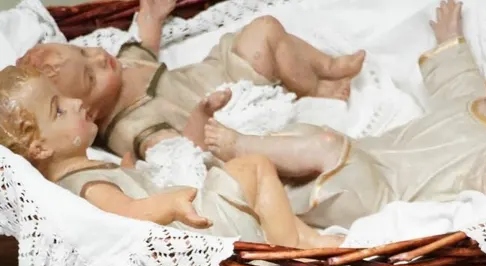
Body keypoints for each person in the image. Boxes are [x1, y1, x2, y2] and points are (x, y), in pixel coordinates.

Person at [203, 0, 486, 229]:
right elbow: (455, 63)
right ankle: (254, 181)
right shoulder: (471, 95)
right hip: (363, 158)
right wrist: (449, 34)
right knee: (309, 132)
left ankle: (236, 146)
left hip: (381, 196)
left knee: (325, 145)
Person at [0, 65, 341, 249]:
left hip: (186, 219)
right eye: (58, 109)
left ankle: (297, 238)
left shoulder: (85, 169)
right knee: (252, 166)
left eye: (63, 97)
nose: (74, 102)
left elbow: (124, 189)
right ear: (39, 149)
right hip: (191, 231)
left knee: (248, 179)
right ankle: (297, 245)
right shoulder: (85, 186)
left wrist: (128, 169)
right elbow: (130, 213)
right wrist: (171, 205)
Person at [18, 0, 365, 160]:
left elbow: (145, 42)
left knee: (265, 28)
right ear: (87, 113)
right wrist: (201, 119)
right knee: (267, 35)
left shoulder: (123, 65)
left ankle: (328, 66)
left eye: (85, 52)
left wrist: (152, 14)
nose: (98, 57)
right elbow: (180, 154)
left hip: (221, 69)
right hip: (228, 103)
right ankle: (315, 88)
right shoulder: (129, 128)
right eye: (90, 75)